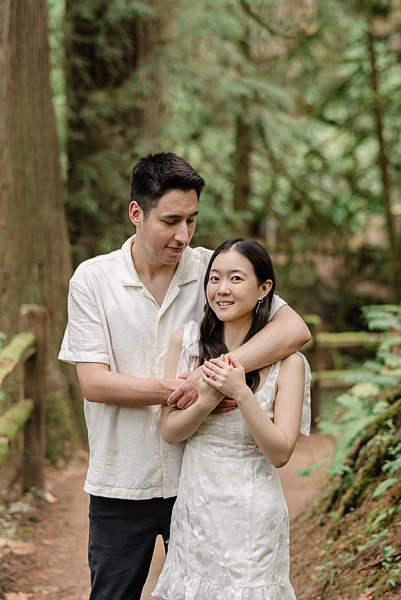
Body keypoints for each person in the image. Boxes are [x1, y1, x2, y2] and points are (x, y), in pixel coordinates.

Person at [58, 153, 310, 600]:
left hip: (197, 484)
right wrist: (186, 387)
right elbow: (94, 383)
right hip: (122, 478)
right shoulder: (93, 280)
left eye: (191, 220)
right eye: (171, 221)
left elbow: (293, 329)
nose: (183, 235)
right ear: (136, 213)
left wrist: (220, 370)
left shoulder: (215, 273)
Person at [152, 238, 310, 600]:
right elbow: (170, 431)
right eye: (215, 278)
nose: (222, 289)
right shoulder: (187, 343)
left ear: (264, 289)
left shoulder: (290, 363)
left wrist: (241, 392)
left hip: (254, 516)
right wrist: (205, 401)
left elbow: (280, 453)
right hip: (197, 508)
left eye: (236, 278)